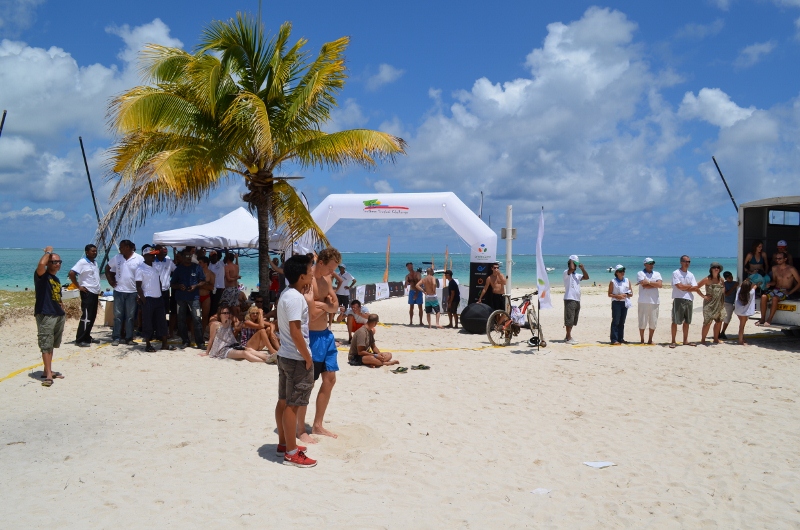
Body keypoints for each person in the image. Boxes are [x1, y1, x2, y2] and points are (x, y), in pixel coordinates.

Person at [274, 254, 317, 468]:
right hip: (296, 358)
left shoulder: (287, 294)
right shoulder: (295, 298)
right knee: (293, 404)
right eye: (310, 270)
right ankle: (291, 452)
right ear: (301, 276)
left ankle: (285, 444)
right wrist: (308, 358)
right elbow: (295, 331)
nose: (313, 273)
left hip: (285, 355)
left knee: (283, 401)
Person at [298, 247, 341, 443]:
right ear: (321, 263)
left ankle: (317, 424)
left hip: (326, 335)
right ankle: (300, 428)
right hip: (312, 337)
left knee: (330, 380)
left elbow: (336, 306)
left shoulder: (327, 279)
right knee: (309, 383)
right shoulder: (308, 281)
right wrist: (326, 306)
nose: (332, 272)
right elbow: (311, 312)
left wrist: (322, 305)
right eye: (330, 268)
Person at [35, 246, 66, 387]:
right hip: (46, 314)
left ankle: (47, 370)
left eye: (59, 261)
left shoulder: (56, 279)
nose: (57, 264)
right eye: (54, 261)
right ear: (48, 263)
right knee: (45, 344)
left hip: (57, 314)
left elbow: (56, 296)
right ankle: (48, 375)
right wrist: (48, 252)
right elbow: (41, 265)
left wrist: (60, 305)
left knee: (51, 343)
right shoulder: (42, 276)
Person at [105, 240, 143, 346]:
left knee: (130, 317)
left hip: (133, 292)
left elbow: (143, 275)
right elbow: (107, 268)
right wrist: (110, 281)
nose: (120, 249)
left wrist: (141, 293)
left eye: (121, 247)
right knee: (117, 316)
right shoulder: (117, 257)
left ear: (127, 247)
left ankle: (129, 338)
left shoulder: (139, 259)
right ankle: (116, 337)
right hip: (119, 291)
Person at [201, 304, 268, 363]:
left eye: (228, 313)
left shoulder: (229, 322)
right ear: (220, 314)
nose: (226, 315)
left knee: (249, 349)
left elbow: (231, 335)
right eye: (224, 313)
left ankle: (268, 358)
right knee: (244, 353)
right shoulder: (215, 324)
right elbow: (211, 339)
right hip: (221, 350)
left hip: (231, 346)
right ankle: (265, 361)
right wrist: (207, 352)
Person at [135, 250, 173, 352]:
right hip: (148, 298)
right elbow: (138, 286)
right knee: (148, 322)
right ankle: (148, 344)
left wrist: (160, 293)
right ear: (145, 256)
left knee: (162, 321)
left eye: (154, 255)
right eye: (151, 255)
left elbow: (159, 281)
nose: (154, 257)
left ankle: (164, 344)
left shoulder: (155, 267)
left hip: (158, 298)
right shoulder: (140, 269)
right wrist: (142, 298)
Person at [171, 251, 206, 349]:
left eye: (190, 255)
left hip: (194, 298)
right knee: (181, 320)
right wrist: (179, 286)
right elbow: (172, 284)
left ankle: (200, 342)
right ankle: (185, 341)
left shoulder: (197, 267)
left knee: (197, 319)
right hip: (180, 298)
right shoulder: (178, 269)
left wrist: (196, 286)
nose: (188, 257)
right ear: (182, 257)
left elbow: (203, 281)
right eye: (186, 255)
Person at [68, 244, 101, 347]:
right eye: (92, 251)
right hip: (87, 292)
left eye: (95, 251)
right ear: (87, 252)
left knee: (92, 315)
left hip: (94, 292)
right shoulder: (82, 262)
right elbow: (71, 273)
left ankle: (87, 336)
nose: (94, 253)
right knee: (86, 316)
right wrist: (78, 286)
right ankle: (80, 339)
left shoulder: (94, 262)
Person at [757, 251, 800, 326]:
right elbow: (775, 281)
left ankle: (769, 319)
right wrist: (770, 283)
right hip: (776, 289)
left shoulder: (791, 269)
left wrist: (790, 292)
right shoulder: (774, 268)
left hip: (785, 290)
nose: (778, 260)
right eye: (776, 258)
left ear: (785, 259)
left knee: (775, 298)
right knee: (763, 297)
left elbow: (799, 282)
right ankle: (762, 318)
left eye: (780, 258)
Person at [669, 255, 702, 348]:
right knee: (675, 320)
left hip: (689, 299)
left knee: (687, 321)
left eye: (688, 261)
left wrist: (685, 287)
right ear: (681, 262)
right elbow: (679, 287)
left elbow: (695, 287)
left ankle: (685, 340)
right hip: (678, 298)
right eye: (685, 261)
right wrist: (688, 287)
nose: (687, 263)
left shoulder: (691, 274)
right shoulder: (676, 273)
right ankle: (673, 341)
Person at [563, 255, 589, 345]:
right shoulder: (566, 273)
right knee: (569, 319)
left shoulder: (577, 275)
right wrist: (571, 261)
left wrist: (582, 268)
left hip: (577, 299)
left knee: (573, 319)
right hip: (569, 298)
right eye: (574, 264)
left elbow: (586, 277)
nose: (575, 266)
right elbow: (571, 269)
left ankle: (568, 336)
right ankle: (568, 337)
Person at [697, 262, 725, 344]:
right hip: (709, 305)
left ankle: (716, 339)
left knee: (719, 321)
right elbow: (696, 287)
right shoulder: (707, 279)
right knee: (707, 322)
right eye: (714, 267)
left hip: (719, 304)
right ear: (711, 269)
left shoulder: (721, 280)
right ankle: (703, 339)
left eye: (718, 267)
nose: (716, 269)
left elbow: (723, 291)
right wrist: (704, 296)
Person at [636, 257, 662, 345]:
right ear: (645, 264)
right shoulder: (640, 273)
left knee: (653, 321)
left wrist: (649, 282)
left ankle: (650, 339)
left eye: (652, 263)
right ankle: (642, 340)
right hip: (643, 300)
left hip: (654, 301)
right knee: (642, 321)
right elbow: (644, 285)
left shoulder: (657, 273)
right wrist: (653, 284)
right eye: (649, 263)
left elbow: (660, 285)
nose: (651, 265)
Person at [608, 265, 632, 345]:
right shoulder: (613, 281)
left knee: (622, 322)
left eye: (623, 271)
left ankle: (620, 338)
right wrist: (617, 296)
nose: (622, 273)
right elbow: (609, 294)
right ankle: (614, 339)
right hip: (616, 303)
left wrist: (626, 295)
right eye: (621, 271)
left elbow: (631, 293)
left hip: (624, 302)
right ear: (617, 272)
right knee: (616, 321)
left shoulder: (627, 280)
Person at [734, 278, 758, 345]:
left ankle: (742, 338)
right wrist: (758, 281)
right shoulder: (751, 293)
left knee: (741, 326)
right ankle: (740, 341)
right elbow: (755, 285)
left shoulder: (739, 291)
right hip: (744, 313)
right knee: (741, 327)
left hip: (738, 311)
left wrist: (746, 280)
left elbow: (742, 285)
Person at [197, 256, 215, 336]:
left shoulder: (211, 274)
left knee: (205, 316)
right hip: (197, 296)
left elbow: (211, 287)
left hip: (206, 296)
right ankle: (194, 335)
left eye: (200, 262)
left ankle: (202, 333)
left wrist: (201, 285)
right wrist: (205, 284)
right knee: (195, 316)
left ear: (205, 263)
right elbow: (194, 284)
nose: (198, 264)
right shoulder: (197, 272)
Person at [720, 271, 738, 340]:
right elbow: (726, 294)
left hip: (731, 303)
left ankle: (723, 332)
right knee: (721, 318)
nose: (731, 278)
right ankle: (718, 332)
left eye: (731, 276)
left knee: (727, 319)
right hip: (724, 302)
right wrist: (734, 287)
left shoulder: (735, 283)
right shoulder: (725, 284)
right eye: (729, 277)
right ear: (726, 278)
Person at [208, 250, 225, 317]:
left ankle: (214, 318)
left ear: (217, 257)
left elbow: (227, 257)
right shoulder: (209, 264)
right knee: (210, 304)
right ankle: (210, 319)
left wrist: (225, 247)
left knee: (216, 304)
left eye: (215, 256)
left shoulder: (221, 263)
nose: (213, 258)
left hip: (219, 287)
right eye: (212, 256)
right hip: (210, 287)